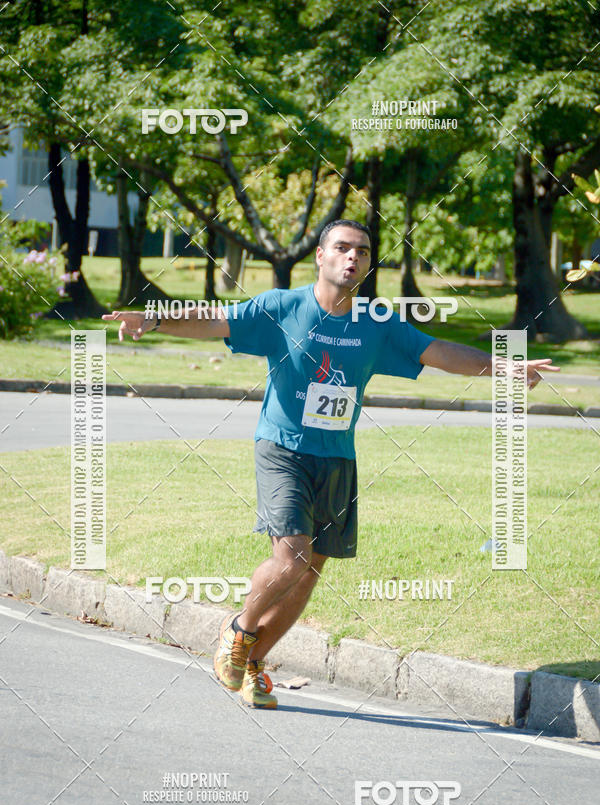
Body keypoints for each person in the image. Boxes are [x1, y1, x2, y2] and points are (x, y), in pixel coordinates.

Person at [102, 219, 558, 709]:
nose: (352, 258)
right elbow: (217, 319)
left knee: (310, 571)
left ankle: (253, 663)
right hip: (282, 447)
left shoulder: (377, 322)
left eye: (361, 251)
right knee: (292, 555)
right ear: (320, 256)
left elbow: (438, 352)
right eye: (341, 248)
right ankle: (238, 630)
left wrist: (503, 368)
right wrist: (152, 320)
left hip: (338, 455)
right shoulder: (283, 307)